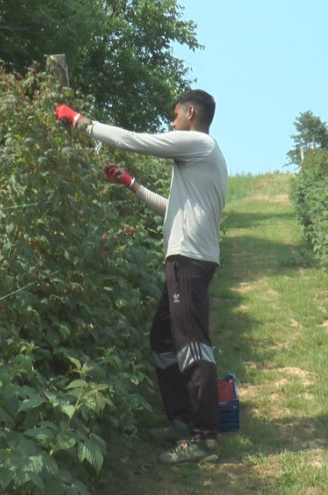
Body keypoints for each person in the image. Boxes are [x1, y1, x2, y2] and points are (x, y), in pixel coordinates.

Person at [55, 90, 228, 464]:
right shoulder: (203, 159)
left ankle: (204, 438)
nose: (171, 122)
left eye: (175, 115)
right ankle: (183, 419)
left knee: (192, 345)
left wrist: (81, 122)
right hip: (188, 260)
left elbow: (137, 141)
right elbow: (173, 211)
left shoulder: (197, 143)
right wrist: (131, 183)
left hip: (189, 261)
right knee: (163, 340)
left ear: (190, 112)